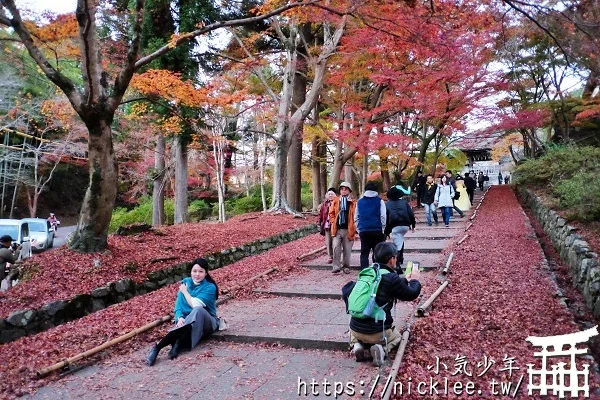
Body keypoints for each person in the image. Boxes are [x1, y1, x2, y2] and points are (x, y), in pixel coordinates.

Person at [342, 242, 421, 366]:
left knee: (354, 333)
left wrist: (405, 280)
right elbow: (411, 294)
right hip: (378, 333)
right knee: (398, 337)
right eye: (396, 257)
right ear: (391, 260)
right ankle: (382, 350)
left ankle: (356, 346)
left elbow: (349, 290)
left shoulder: (366, 272)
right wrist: (415, 280)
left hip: (356, 329)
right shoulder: (392, 278)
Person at [146, 258, 220, 366]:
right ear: (190, 271)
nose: (197, 274)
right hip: (187, 321)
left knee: (198, 310)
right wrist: (179, 317)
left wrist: (185, 291)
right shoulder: (186, 282)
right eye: (194, 271)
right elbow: (178, 305)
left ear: (206, 273)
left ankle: (171, 344)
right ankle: (160, 347)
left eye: (201, 271)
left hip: (207, 322)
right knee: (183, 321)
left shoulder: (210, 287)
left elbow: (195, 305)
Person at [355, 182, 386, 269]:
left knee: (364, 253)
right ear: (376, 190)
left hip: (364, 230)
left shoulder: (359, 202)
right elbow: (383, 216)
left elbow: (356, 217)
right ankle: (377, 271)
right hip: (377, 230)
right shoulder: (380, 201)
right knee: (377, 252)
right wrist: (383, 228)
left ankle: (365, 272)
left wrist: (359, 229)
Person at [328, 182, 357, 274]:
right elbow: (331, 212)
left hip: (349, 229)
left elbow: (356, 214)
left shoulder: (353, 202)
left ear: (349, 191)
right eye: (342, 189)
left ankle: (346, 266)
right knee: (336, 247)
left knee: (347, 249)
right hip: (337, 228)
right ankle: (336, 266)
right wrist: (333, 221)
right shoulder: (336, 200)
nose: (344, 191)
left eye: (346, 189)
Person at [385, 186, 415, 271]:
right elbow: (411, 214)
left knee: (397, 245)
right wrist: (413, 225)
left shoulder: (387, 204)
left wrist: (387, 231)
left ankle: (397, 264)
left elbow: (386, 218)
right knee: (400, 240)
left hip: (395, 226)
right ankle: (401, 258)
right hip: (405, 225)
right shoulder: (404, 202)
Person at [318, 188, 338, 264]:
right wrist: (319, 222)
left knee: (336, 242)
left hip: (336, 226)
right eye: (329, 194)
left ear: (335, 195)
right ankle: (330, 256)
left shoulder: (338, 203)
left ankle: (336, 256)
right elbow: (321, 214)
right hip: (327, 225)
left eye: (331, 194)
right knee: (328, 242)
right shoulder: (325, 204)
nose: (330, 195)